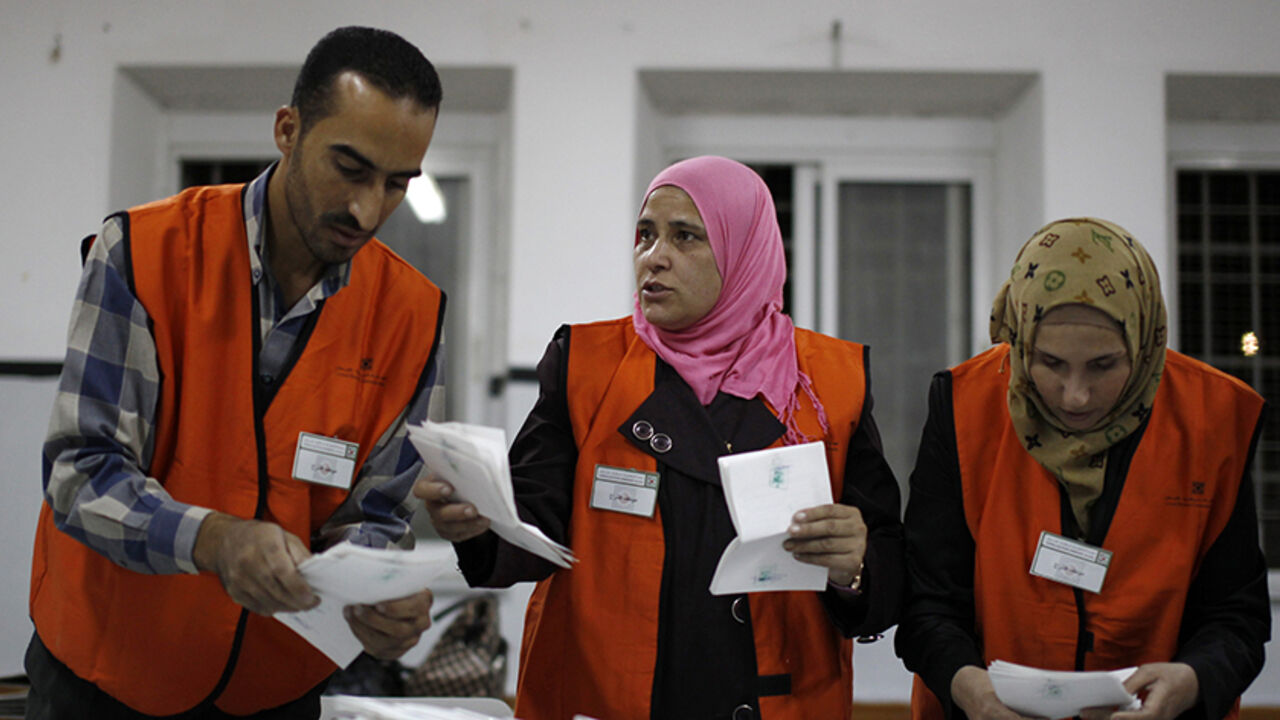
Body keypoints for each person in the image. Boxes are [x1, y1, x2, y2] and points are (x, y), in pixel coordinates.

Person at [28, 27, 447, 719]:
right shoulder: (142, 252)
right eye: (350, 167)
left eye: (397, 183)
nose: (367, 209)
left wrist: (377, 595)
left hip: (274, 694)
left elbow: (376, 514)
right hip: (104, 679)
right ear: (288, 130)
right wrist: (215, 540)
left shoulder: (411, 313)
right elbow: (82, 470)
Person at [417, 155, 904, 720]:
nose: (655, 257)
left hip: (775, 697)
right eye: (645, 235)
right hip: (608, 698)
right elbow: (532, 526)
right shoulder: (586, 367)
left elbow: (888, 568)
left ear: (743, 253)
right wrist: (477, 524)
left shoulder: (829, 382)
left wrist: (856, 565)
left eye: (686, 237)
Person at [895, 217, 1269, 720]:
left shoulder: (1213, 417)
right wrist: (971, 691)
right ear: (1020, 337)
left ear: (1143, 342)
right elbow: (926, 602)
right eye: (1049, 363)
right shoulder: (964, 406)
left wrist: (1192, 679)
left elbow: (1237, 617)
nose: (1076, 396)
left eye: (1104, 365)